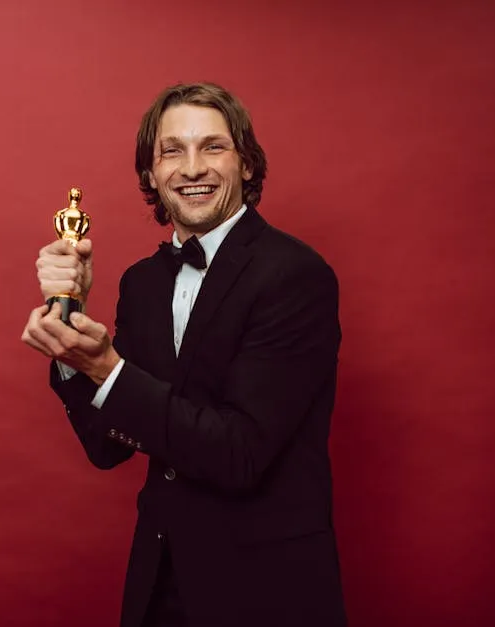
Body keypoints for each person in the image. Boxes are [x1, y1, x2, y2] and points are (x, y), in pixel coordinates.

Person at [21, 82, 346, 627]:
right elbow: (108, 448)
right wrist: (68, 332)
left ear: (246, 164)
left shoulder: (296, 276)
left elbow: (239, 452)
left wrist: (106, 368)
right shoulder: (142, 283)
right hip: (160, 590)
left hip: (269, 594)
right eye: (172, 151)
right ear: (151, 175)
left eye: (212, 147)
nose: (192, 167)